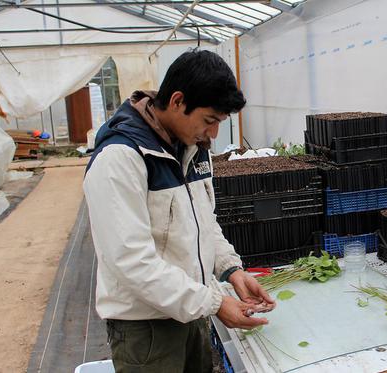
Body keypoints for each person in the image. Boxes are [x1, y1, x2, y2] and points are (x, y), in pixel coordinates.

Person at [83, 49, 275, 372]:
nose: (213, 134)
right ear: (177, 101)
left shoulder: (193, 147)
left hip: (191, 311)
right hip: (147, 331)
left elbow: (203, 221)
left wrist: (232, 270)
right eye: (209, 120)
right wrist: (215, 303)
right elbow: (132, 264)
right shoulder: (122, 157)